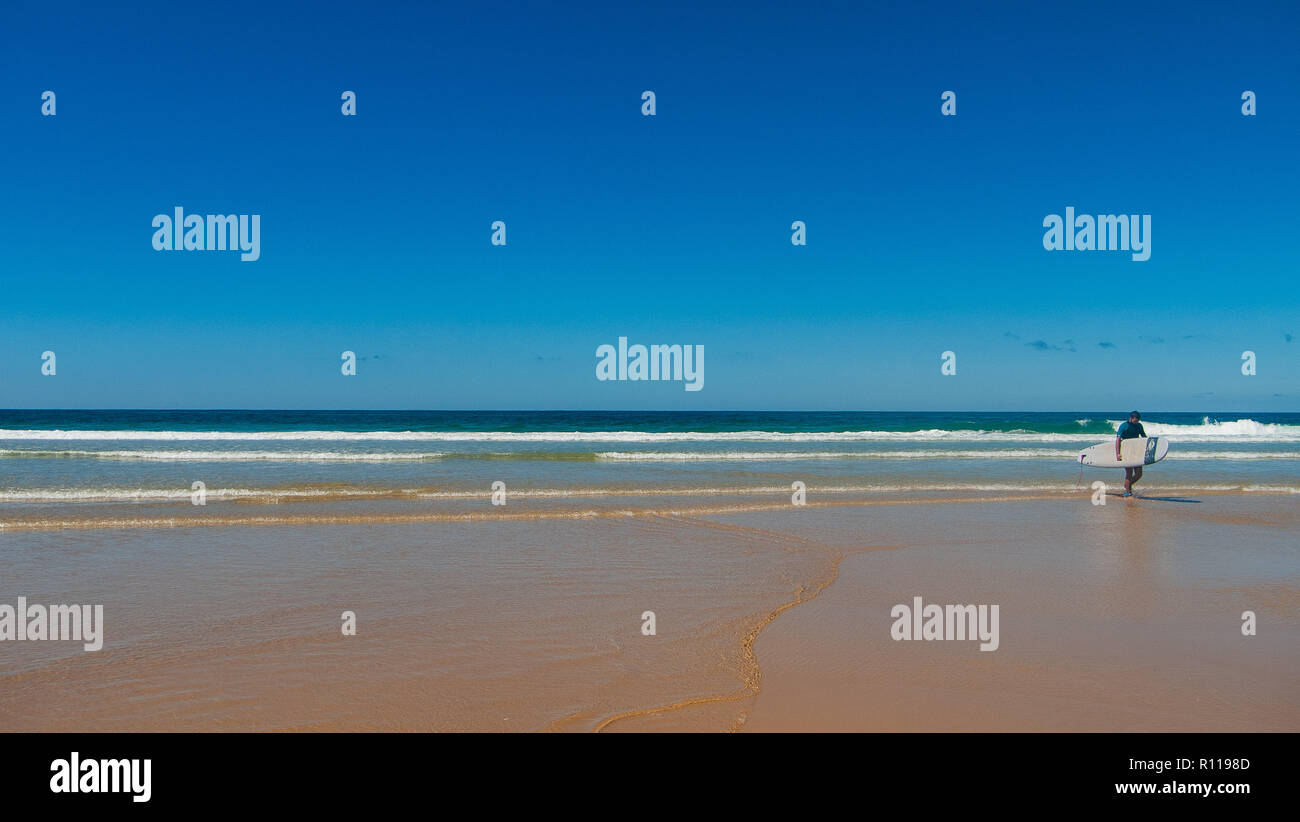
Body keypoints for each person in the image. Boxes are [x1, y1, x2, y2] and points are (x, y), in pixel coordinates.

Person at [1115, 410, 1147, 497]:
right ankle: (1128, 492)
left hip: (1136, 451)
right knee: (1129, 472)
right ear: (1131, 418)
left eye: (1137, 421)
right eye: (1135, 420)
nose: (1136, 422)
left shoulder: (1139, 426)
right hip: (1126, 451)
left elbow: (1144, 437)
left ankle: (1127, 486)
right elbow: (1118, 439)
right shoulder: (1124, 426)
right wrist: (1118, 453)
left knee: (1139, 473)